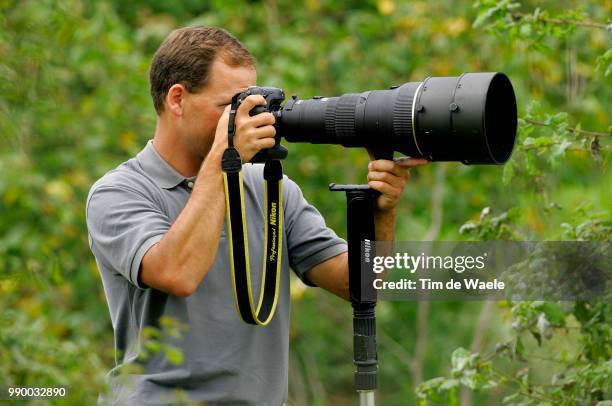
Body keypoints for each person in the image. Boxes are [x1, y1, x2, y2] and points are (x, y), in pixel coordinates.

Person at [86, 26, 427, 405]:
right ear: (178, 99)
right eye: (230, 107)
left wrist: (382, 215)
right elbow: (176, 273)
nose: (247, 120)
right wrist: (223, 160)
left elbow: (360, 286)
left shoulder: (270, 189)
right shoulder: (118, 192)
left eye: (252, 105)